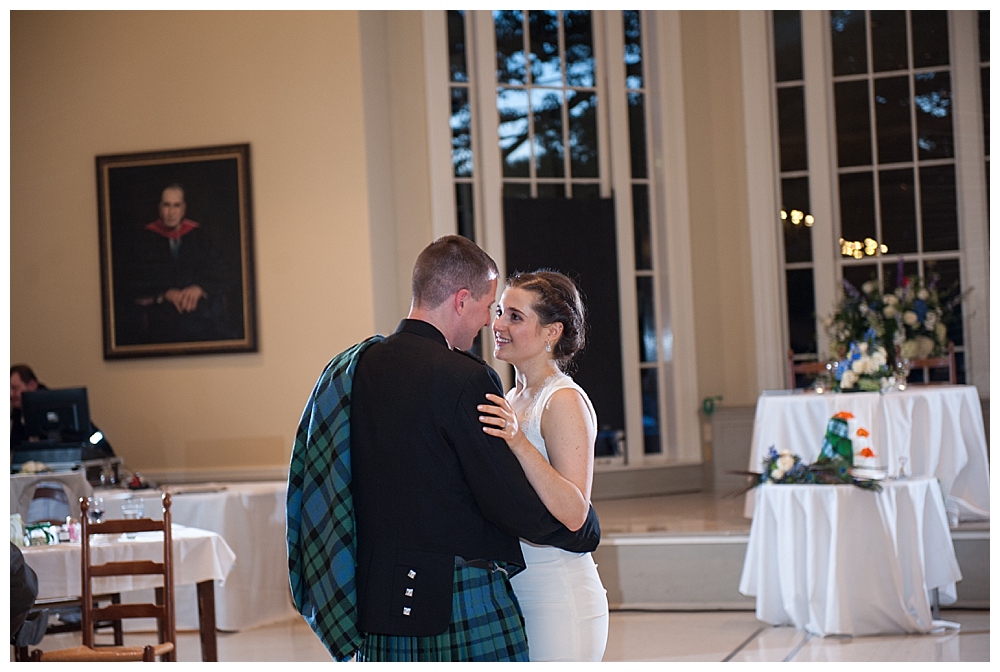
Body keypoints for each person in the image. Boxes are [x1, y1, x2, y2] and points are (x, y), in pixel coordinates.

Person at [286, 235, 601, 662]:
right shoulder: (466, 379)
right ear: (461, 301)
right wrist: (580, 531)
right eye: (491, 308)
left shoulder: (353, 368)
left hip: (375, 597)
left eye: (509, 314)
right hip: (452, 595)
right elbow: (502, 497)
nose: (490, 324)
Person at [477, 270, 609, 661]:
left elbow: (573, 511)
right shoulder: (514, 396)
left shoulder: (563, 400)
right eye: (500, 311)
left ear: (552, 332)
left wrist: (518, 441)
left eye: (515, 316)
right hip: (517, 587)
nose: (498, 324)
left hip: (557, 594)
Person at [127, 184, 235, 343]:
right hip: (161, 317)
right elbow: (134, 281)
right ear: (159, 208)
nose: (171, 213)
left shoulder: (199, 237)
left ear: (183, 209)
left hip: (200, 316)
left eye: (176, 206)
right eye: (166, 205)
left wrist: (200, 288)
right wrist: (164, 294)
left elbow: (222, 271)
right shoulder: (144, 240)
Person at [10, 364, 114, 456]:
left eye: (14, 388)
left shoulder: (57, 405)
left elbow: (93, 438)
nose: (10, 394)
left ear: (32, 385)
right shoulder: (16, 414)